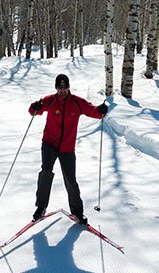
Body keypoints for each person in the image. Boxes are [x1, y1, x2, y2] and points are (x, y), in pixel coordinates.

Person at [27, 74, 108, 225]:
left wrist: (101, 110)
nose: (62, 90)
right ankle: (41, 207)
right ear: (56, 88)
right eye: (59, 87)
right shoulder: (50, 100)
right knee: (45, 172)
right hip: (49, 144)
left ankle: (77, 212)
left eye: (65, 87)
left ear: (68, 87)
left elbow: (93, 112)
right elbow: (33, 111)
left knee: (71, 180)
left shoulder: (77, 102)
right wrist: (35, 106)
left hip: (67, 148)